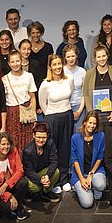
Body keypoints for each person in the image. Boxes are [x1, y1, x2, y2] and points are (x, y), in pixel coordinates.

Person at [38, 54, 74, 190]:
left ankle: (64, 180)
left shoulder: (69, 79)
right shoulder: (45, 84)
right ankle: (54, 181)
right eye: (54, 64)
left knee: (65, 148)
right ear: (50, 67)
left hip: (67, 116)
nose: (58, 67)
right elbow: (42, 104)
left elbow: (69, 97)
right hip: (52, 118)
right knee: (53, 150)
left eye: (59, 64)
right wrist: (50, 116)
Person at [0, 132, 28, 220]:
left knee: (23, 182)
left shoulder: (14, 152)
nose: (6, 147)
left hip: (7, 186)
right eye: (3, 144)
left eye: (8, 144)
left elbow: (20, 170)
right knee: (8, 208)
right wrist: (9, 196)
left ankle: (17, 206)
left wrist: (6, 185)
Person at [83, 45, 112, 142]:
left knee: (111, 143)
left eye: (103, 56)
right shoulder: (89, 74)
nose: (101, 59)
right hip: (96, 117)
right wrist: (92, 113)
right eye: (99, 57)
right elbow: (86, 94)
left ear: (107, 56)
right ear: (95, 58)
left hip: (111, 116)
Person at [70, 111, 106, 208]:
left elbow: (100, 157)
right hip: (80, 173)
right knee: (87, 204)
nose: (92, 125)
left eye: (94, 123)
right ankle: (78, 187)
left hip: (95, 170)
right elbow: (75, 160)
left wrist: (91, 174)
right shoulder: (75, 138)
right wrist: (82, 179)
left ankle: (94, 186)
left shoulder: (101, 136)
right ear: (85, 122)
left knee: (101, 185)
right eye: (90, 122)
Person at [2, 51, 37, 152]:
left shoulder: (29, 76)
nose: (15, 64)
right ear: (9, 63)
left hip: (26, 112)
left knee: (28, 142)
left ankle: (27, 167)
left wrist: (33, 117)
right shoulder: (5, 79)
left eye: (17, 61)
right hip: (12, 113)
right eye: (12, 62)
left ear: (21, 61)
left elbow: (32, 97)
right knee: (13, 142)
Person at [21, 123, 61, 202]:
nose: (41, 140)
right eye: (38, 137)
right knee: (34, 188)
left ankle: (46, 192)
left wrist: (47, 176)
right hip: (32, 175)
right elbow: (29, 171)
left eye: (44, 137)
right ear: (34, 136)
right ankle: (31, 193)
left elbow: (54, 161)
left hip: (44, 172)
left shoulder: (50, 143)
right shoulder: (28, 151)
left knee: (56, 172)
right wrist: (40, 180)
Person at [63, 44, 86, 131]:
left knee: (79, 133)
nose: (71, 59)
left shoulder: (82, 71)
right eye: (68, 56)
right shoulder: (61, 71)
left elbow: (85, 93)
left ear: (76, 56)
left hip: (79, 106)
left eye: (73, 56)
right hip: (65, 106)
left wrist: (79, 111)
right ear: (65, 57)